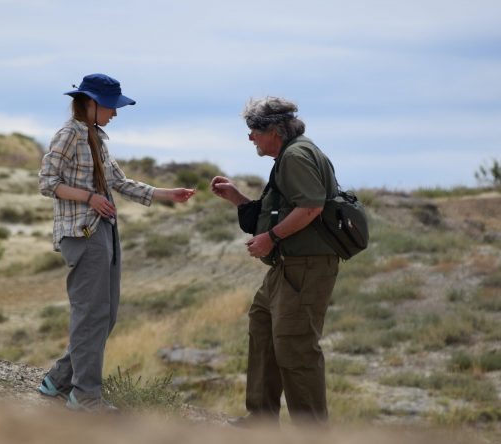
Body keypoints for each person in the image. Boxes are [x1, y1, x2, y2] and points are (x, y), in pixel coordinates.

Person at [38, 73, 195, 413]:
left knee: (104, 316)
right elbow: (47, 182)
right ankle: (85, 396)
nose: (115, 113)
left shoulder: (97, 136)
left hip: (104, 232)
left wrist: (165, 194)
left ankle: (58, 380)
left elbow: (119, 182)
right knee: (90, 315)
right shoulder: (67, 135)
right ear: (90, 103)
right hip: (82, 233)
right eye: (110, 106)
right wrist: (90, 198)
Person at [210, 97, 339, 426]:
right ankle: (262, 420)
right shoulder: (290, 155)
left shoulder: (296, 155)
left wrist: (272, 238)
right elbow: (280, 210)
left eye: (253, 131)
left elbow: (310, 208)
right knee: (263, 325)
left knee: (296, 347)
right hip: (288, 266)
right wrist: (238, 198)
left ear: (273, 130)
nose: (251, 138)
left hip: (305, 266)